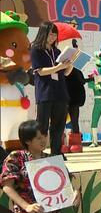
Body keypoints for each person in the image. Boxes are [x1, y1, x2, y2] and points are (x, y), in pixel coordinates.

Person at [30, 22, 73, 156]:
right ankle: (38, 153)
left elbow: (65, 73)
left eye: (55, 34)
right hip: (45, 92)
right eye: (50, 34)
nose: (53, 37)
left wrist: (69, 64)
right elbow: (41, 71)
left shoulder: (57, 51)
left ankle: (56, 152)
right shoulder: (36, 50)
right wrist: (58, 67)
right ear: (43, 34)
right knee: (42, 126)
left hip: (60, 92)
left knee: (59, 125)